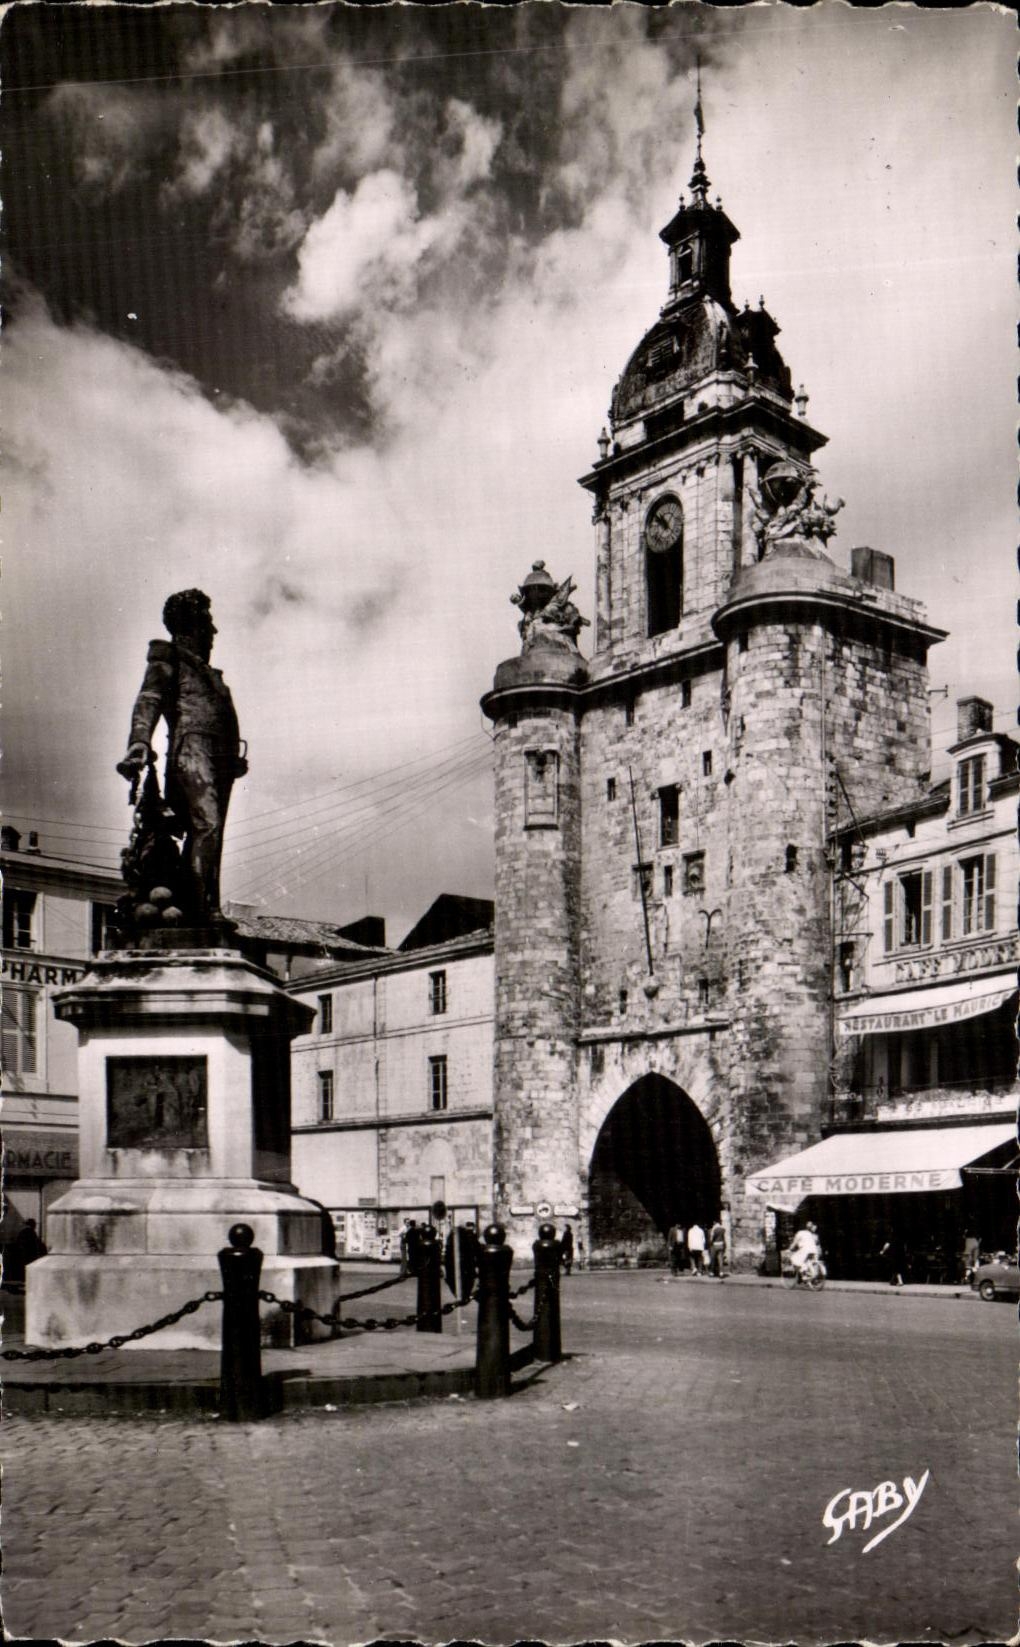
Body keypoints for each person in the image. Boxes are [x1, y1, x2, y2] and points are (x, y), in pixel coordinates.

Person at [117, 589, 247, 923]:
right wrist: (139, 743)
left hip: (220, 759)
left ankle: (200, 906)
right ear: (191, 625)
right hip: (191, 751)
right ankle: (206, 909)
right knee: (208, 825)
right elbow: (149, 698)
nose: (214, 632)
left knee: (208, 833)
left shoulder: (211, 675)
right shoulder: (169, 656)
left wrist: (233, 757)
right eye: (208, 622)